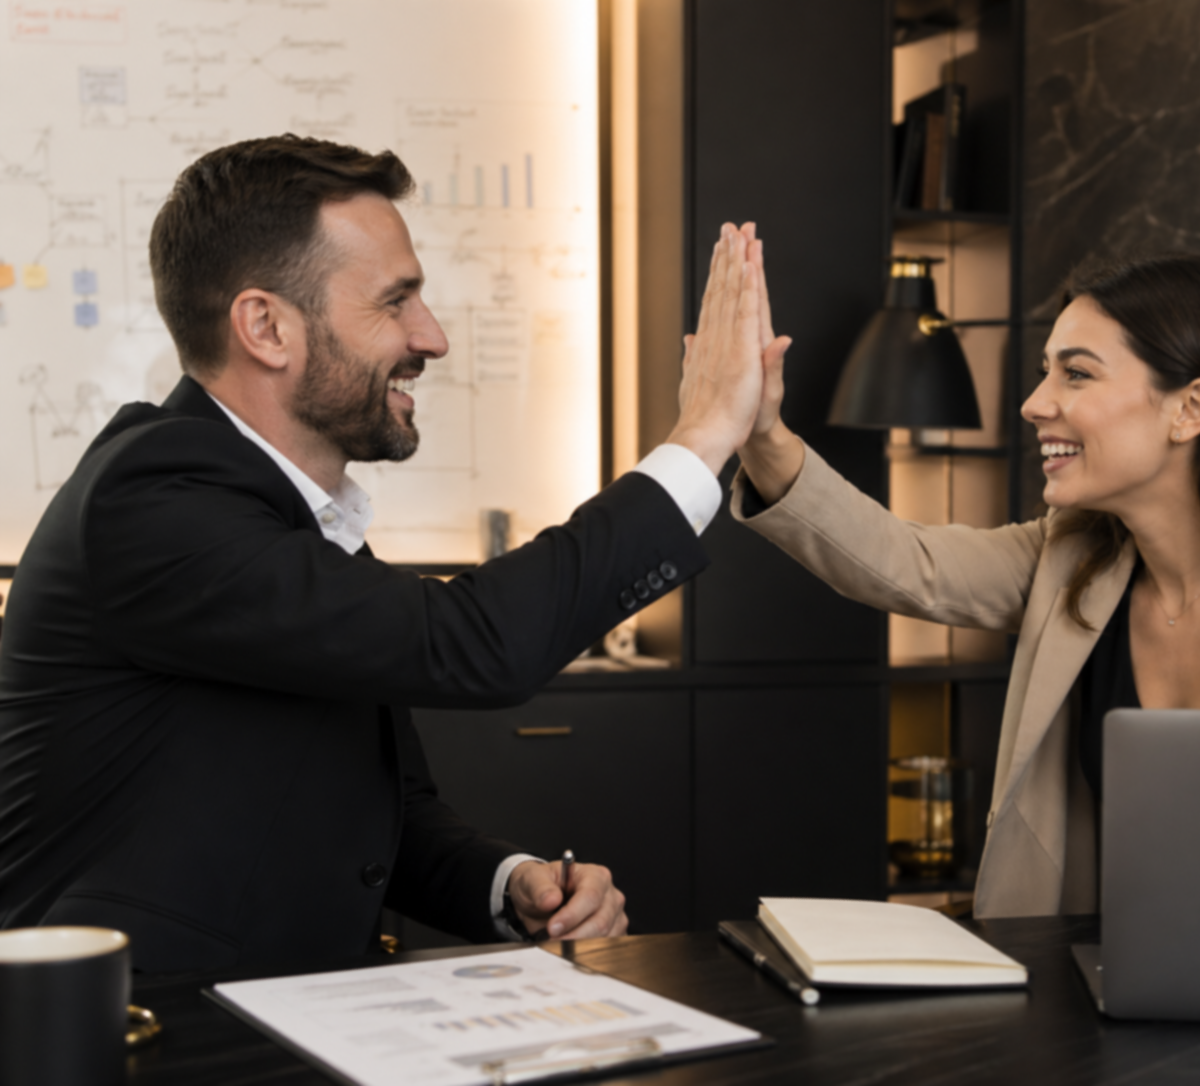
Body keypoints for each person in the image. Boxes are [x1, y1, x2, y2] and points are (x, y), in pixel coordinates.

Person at [0, 136, 785, 971]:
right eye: (394, 301)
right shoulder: (153, 498)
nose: (433, 336)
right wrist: (701, 439)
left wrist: (507, 883)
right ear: (266, 326)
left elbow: (381, 817)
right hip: (135, 1037)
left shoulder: (286, 524)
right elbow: (473, 643)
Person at [731, 252, 1200, 919]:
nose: (1035, 404)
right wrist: (764, 437)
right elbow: (901, 560)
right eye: (1046, 372)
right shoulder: (1074, 559)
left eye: (1076, 374)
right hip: (1088, 998)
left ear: (1191, 408)